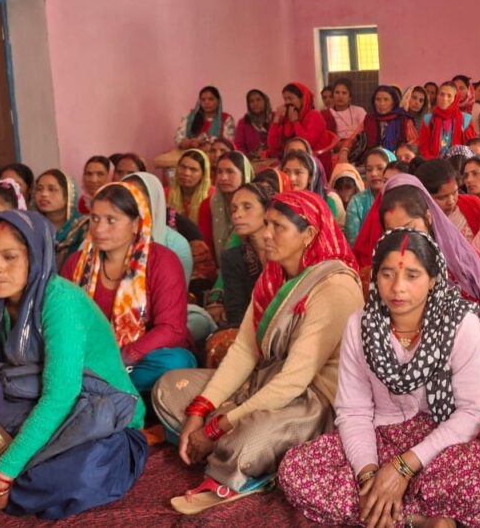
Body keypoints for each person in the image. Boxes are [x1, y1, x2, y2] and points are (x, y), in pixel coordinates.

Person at [152, 191, 363, 512]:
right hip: (265, 381)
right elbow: (244, 352)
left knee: (247, 440)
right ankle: (228, 443)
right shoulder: (274, 275)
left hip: (313, 402)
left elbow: (294, 381)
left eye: (278, 227)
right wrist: (199, 410)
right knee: (168, 388)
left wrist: (216, 427)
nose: (266, 234)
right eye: (267, 224)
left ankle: (240, 461)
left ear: (308, 234)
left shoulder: (335, 287)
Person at [279, 228, 480, 527]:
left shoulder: (461, 324)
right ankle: (419, 519)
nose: (398, 288)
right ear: (375, 277)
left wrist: (402, 469)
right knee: (296, 470)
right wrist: (369, 476)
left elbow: (473, 412)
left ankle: (388, 513)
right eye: (387, 274)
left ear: (433, 279)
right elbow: (354, 411)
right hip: (379, 436)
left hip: (441, 441)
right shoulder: (361, 325)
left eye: (412, 275)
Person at [0, 211, 148, 519]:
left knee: (69, 476)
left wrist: (3, 473)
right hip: (30, 402)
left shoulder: (60, 302)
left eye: (9, 257)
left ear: (36, 257)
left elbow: (60, 396)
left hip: (101, 419)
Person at [352, 175, 480, 355]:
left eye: (411, 227)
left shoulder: (458, 253)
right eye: (393, 232)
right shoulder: (383, 276)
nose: (404, 239)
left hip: (478, 343)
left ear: (428, 217)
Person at [63, 182, 195, 393]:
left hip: (139, 360)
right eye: (95, 219)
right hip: (91, 357)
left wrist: (124, 356)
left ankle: (98, 387)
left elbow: (171, 328)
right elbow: (63, 318)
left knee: (175, 362)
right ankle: (104, 386)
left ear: (135, 224)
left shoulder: (162, 261)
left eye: (111, 220)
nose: (99, 229)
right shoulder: (77, 263)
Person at [202, 182, 273, 368]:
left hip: (287, 327)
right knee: (219, 343)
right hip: (249, 329)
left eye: (247, 207)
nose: (237, 214)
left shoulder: (286, 250)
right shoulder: (233, 258)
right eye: (233, 209)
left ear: (267, 211)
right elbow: (237, 313)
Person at [124, 172, 194, 285]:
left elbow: (176, 291)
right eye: (122, 198)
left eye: (135, 198)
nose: (126, 204)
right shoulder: (105, 237)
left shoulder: (176, 245)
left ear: (154, 202)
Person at [197, 151, 254, 266]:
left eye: (230, 171)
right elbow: (207, 246)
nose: (223, 177)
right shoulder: (208, 205)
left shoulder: (256, 206)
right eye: (219, 172)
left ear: (244, 175)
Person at [267, 82, 336, 166]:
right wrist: (276, 119)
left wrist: (295, 122)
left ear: (302, 99)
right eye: (285, 99)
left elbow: (307, 144)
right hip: (293, 162)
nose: (287, 102)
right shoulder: (287, 119)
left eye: (290, 98)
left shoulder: (314, 115)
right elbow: (273, 145)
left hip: (314, 163)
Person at [415, 158, 480, 240]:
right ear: (425, 197)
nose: (451, 201)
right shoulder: (419, 223)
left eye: (454, 192)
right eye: (441, 197)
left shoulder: (474, 205)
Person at [33, 169, 88, 268]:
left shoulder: (84, 227)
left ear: (68, 195)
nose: (44, 194)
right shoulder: (32, 226)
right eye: (39, 189)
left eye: (51, 189)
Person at [281, 149, 346, 226]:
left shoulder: (327, 202)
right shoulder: (278, 201)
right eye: (286, 172)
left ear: (310, 177)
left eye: (298, 173)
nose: (291, 178)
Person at [345, 148, 392, 245]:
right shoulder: (357, 202)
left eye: (380, 168)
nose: (373, 174)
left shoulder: (400, 200)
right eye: (369, 170)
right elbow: (353, 243)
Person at [418, 82, 476, 158]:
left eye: (449, 96)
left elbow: (471, 148)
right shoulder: (428, 119)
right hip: (433, 162)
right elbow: (423, 147)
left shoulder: (466, 119)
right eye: (441, 94)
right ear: (437, 96)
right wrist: (433, 162)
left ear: (455, 98)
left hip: (458, 162)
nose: (444, 98)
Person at [324, 78, 368, 163]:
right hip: (336, 151)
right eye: (337, 92)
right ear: (333, 95)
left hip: (359, 148)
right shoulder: (326, 114)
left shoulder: (359, 111)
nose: (340, 96)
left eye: (344, 93)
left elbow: (365, 131)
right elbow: (327, 140)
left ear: (350, 97)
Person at [363, 85, 418, 153]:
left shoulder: (404, 120)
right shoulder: (369, 119)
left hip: (398, 157)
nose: (382, 104)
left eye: (386, 99)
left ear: (394, 102)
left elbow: (414, 143)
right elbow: (353, 139)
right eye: (378, 99)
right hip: (372, 156)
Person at [167, 148, 213, 223]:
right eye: (183, 167)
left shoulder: (212, 197)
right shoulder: (166, 194)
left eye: (193, 170)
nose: (186, 173)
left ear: (203, 174)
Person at [233, 89, 272, 159]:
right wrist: (251, 157)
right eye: (251, 101)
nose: (255, 104)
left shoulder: (275, 118)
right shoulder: (244, 122)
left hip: (275, 159)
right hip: (252, 161)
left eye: (258, 100)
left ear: (265, 101)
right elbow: (238, 146)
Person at [453, 74, 480, 138]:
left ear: (468, 90)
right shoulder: (447, 110)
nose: (458, 92)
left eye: (461, 88)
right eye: (455, 88)